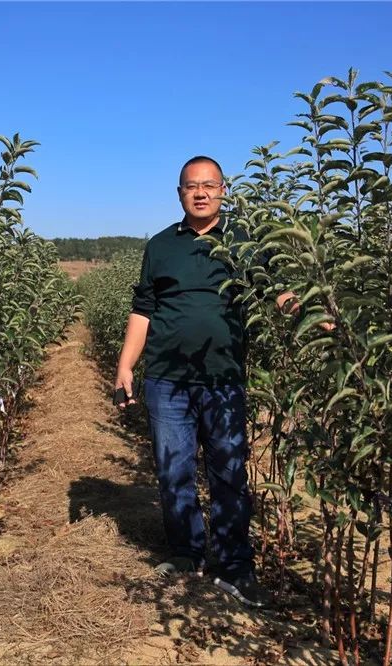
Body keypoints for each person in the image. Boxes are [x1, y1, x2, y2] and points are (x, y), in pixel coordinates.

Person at [113, 155, 315, 609]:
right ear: (179, 193)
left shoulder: (244, 243)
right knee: (173, 470)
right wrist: (126, 365)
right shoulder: (161, 247)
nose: (200, 192)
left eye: (209, 185)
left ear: (224, 190)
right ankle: (186, 553)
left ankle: (234, 566)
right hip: (166, 379)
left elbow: (273, 290)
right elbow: (143, 309)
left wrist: (314, 312)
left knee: (228, 473)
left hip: (223, 380)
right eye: (191, 186)